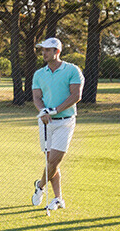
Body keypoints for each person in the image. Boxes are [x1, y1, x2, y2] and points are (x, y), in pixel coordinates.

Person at [30, 37, 83, 212]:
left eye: (47, 50)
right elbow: (37, 97)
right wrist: (44, 111)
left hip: (65, 122)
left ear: (57, 52)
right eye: (42, 50)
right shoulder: (39, 73)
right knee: (51, 163)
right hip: (46, 122)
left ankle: (40, 185)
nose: (43, 53)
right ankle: (58, 198)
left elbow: (76, 95)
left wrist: (56, 110)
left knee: (54, 160)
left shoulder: (72, 70)